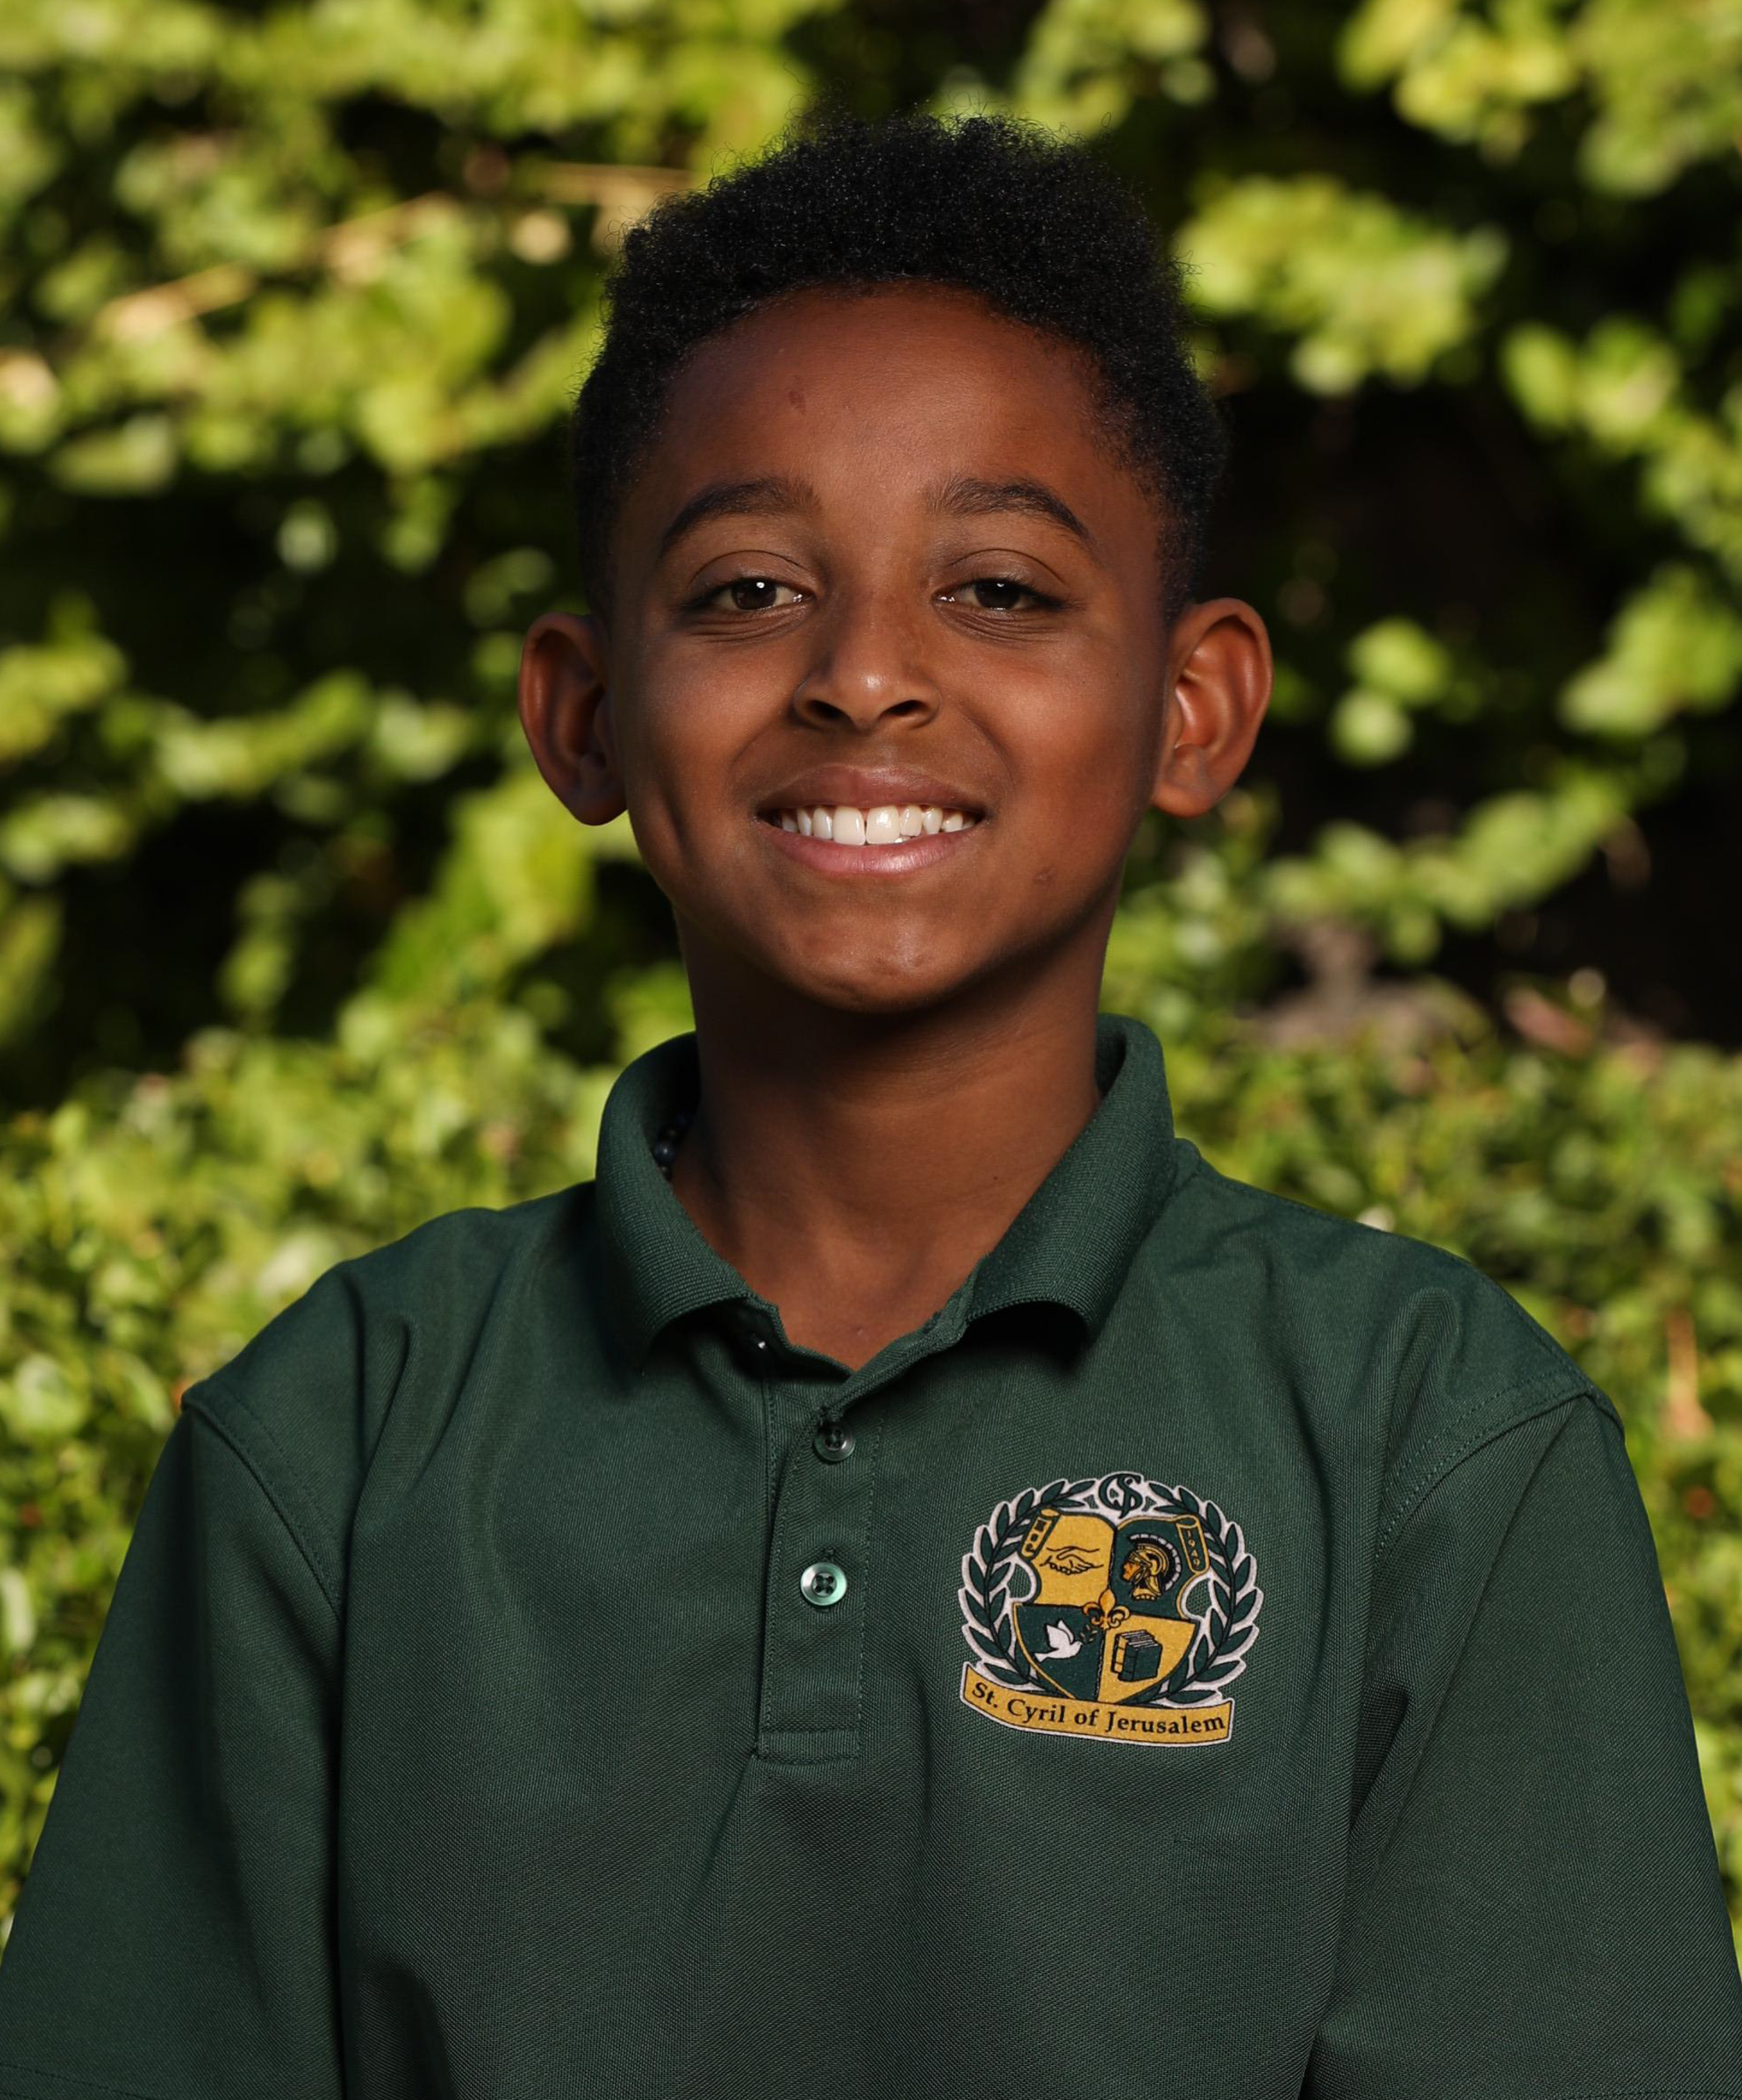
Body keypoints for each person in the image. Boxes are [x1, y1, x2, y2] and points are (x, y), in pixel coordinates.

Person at [1, 104, 1737, 2100]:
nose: (865, 675)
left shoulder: (1427, 1434)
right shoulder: (341, 1433)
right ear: (583, 710)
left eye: (997, 586)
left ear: (1192, 710)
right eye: (748, 589)